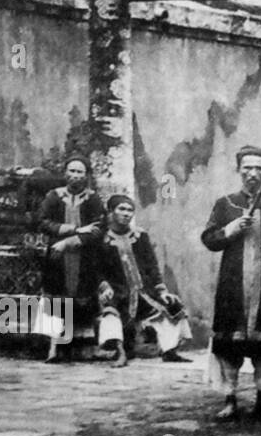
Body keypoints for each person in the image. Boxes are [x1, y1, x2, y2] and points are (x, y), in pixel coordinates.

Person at [201, 145, 261, 420]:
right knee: (230, 345)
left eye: (259, 169)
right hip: (233, 284)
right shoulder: (225, 203)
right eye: (247, 168)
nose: (253, 173)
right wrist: (229, 231)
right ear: (238, 170)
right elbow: (209, 240)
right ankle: (230, 400)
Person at [96, 194, 191, 367]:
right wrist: (105, 287)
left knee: (172, 306)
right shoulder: (102, 239)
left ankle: (169, 350)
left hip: (145, 291)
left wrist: (162, 290)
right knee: (111, 313)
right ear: (111, 211)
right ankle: (121, 353)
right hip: (119, 291)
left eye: (130, 210)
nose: (126, 213)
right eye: (121, 209)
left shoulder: (140, 236)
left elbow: (152, 266)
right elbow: (97, 270)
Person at [35, 156, 106, 361]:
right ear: (65, 173)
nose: (75, 176)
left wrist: (69, 241)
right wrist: (73, 229)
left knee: (82, 297)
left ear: (86, 175)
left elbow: (97, 229)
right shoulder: (53, 196)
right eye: (72, 171)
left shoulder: (93, 199)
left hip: (84, 257)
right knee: (55, 296)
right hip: (57, 258)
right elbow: (42, 222)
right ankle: (53, 347)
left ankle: (81, 347)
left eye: (80, 172)